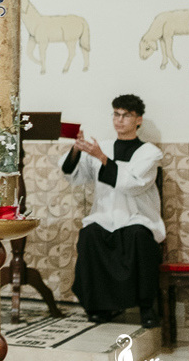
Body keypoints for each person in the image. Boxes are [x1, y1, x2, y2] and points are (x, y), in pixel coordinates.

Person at [59, 94, 164, 326]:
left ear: (139, 120)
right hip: (105, 215)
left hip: (138, 216)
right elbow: (74, 175)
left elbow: (132, 184)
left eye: (126, 115)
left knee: (137, 237)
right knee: (90, 236)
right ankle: (99, 307)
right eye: (116, 114)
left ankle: (146, 308)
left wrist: (101, 158)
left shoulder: (149, 152)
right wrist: (76, 150)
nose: (119, 120)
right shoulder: (103, 147)